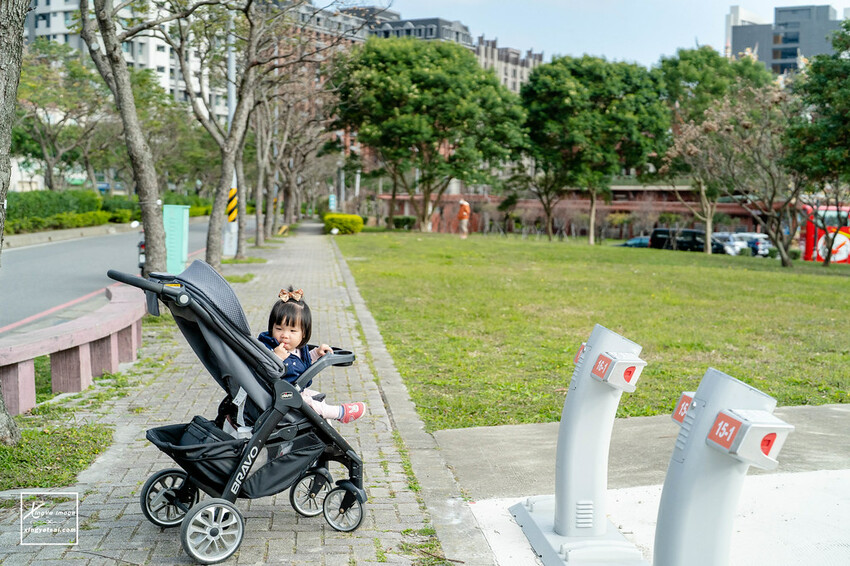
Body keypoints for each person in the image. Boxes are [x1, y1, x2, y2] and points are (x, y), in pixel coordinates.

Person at [258, 287, 365, 423]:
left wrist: (316, 353)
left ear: (303, 333)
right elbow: (264, 370)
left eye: (292, 330)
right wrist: (275, 358)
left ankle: (329, 438)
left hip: (296, 391)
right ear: (271, 328)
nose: (284, 335)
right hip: (282, 396)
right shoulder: (269, 349)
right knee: (310, 405)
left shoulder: (299, 348)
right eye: (279, 329)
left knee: (317, 397)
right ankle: (340, 413)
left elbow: (302, 361)